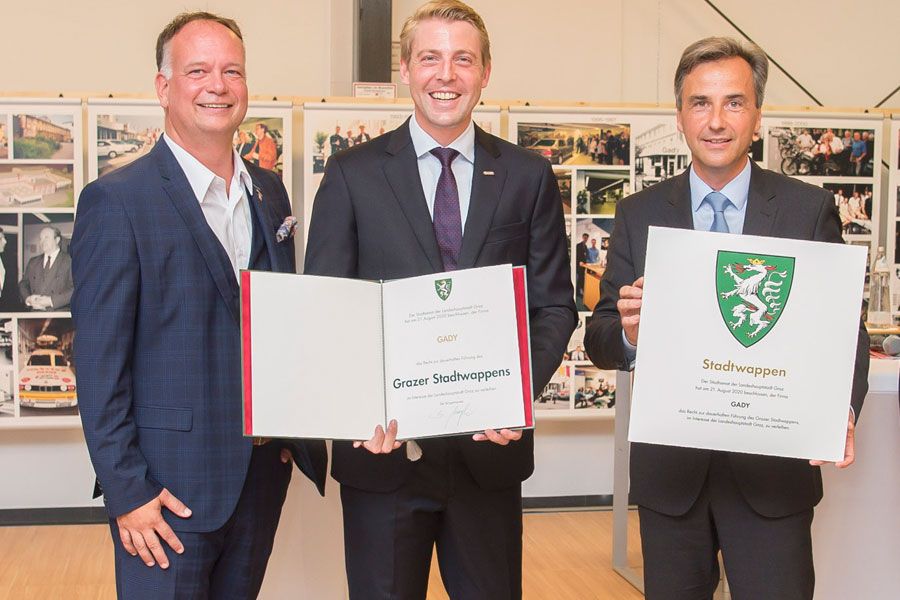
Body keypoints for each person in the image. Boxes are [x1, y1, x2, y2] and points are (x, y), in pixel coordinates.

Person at [304, 1, 575, 597]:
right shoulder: (351, 174)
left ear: (485, 72)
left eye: (462, 59)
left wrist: (515, 393)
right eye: (430, 58)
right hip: (383, 455)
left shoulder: (528, 176)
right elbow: (326, 310)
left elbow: (553, 305)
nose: (445, 75)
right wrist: (356, 406)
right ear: (405, 69)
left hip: (488, 460)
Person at [584, 37, 869, 600]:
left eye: (734, 103)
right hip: (672, 479)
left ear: (758, 116)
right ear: (680, 116)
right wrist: (631, 334)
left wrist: (843, 409)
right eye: (700, 103)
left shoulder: (805, 208)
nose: (716, 121)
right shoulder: (640, 213)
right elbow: (599, 337)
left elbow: (843, 329)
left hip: (773, 476)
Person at [70, 12, 326, 600]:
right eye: (198, 71)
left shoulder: (269, 192)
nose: (218, 85)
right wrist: (127, 491)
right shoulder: (116, 202)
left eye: (232, 71)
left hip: (258, 481)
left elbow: (278, 323)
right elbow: (99, 365)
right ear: (164, 88)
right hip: (164, 493)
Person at [19, 225, 73, 311]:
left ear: (57, 240)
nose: (42, 241)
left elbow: (75, 289)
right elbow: (23, 284)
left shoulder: (69, 261)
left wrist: (51, 301)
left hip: (59, 315)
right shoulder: (33, 262)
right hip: (35, 314)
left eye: (46, 237)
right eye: (41, 238)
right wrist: (28, 298)